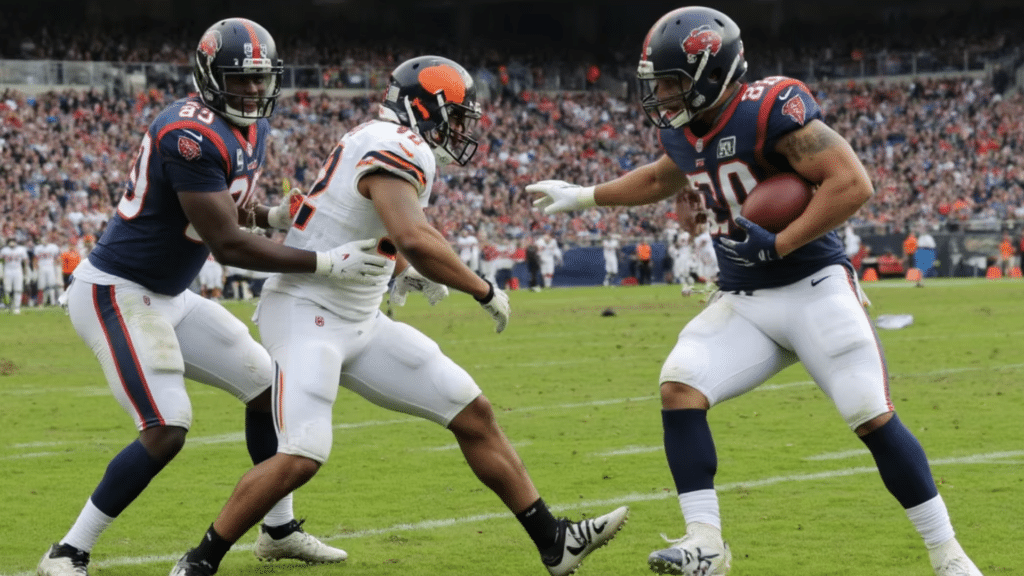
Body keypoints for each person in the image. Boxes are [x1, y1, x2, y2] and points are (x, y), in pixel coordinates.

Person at [528, 7, 982, 576]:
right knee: (680, 387)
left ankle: (949, 556)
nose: (663, 94)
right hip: (745, 299)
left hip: (814, 286)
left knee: (870, 413)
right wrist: (586, 195)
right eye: (658, 82)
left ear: (713, 72)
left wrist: (781, 243)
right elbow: (659, 176)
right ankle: (706, 543)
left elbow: (851, 183)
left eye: (673, 81)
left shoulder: (769, 108)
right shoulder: (686, 130)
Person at [169, 54, 627, 576]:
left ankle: (555, 541)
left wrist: (403, 267)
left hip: (357, 319)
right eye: (454, 116)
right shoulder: (398, 145)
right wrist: (481, 288)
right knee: (303, 451)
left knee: (471, 410)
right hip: (307, 311)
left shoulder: (381, 137)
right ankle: (198, 562)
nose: (459, 129)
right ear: (423, 107)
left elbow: (381, 223)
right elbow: (410, 231)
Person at [36, 18, 389, 576]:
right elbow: (225, 243)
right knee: (166, 427)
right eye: (239, 79)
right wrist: (326, 263)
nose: (251, 91)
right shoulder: (188, 132)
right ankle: (67, 552)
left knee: (265, 387)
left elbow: (226, 208)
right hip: (118, 292)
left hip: (170, 294)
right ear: (208, 76)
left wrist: (271, 214)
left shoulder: (251, 128)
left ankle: (278, 530)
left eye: (259, 79)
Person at [1, 237, 28, 314]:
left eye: (13, 241)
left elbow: (25, 261)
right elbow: (0, 262)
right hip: (7, 271)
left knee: (18, 290)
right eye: (10, 241)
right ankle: (7, 306)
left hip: (18, 271)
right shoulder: (4, 250)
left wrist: (26, 273)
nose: (12, 243)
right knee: (7, 290)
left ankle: (17, 307)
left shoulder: (21, 249)